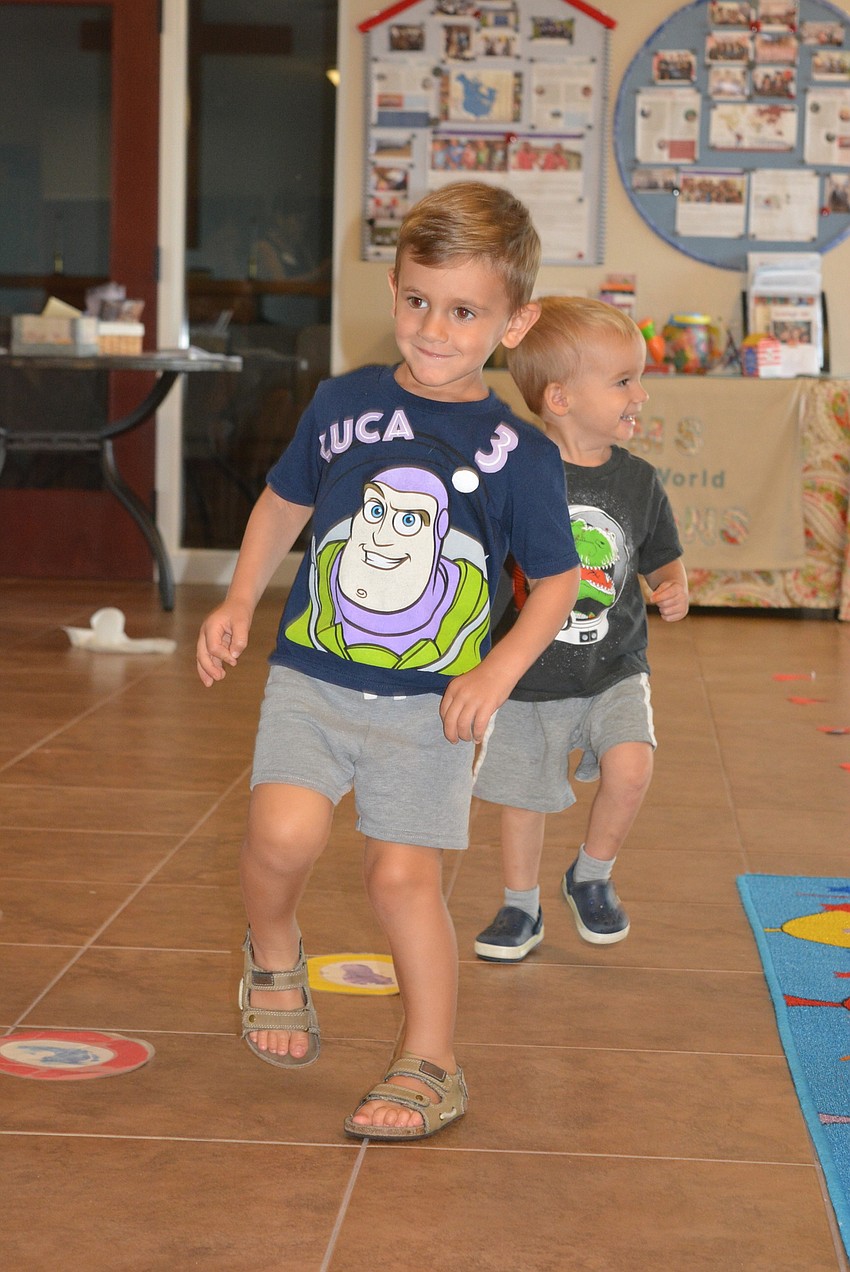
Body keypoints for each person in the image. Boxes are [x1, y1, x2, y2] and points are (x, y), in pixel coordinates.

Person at [196, 183, 580, 1143]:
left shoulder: (520, 452)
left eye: (464, 311)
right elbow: (285, 504)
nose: (434, 329)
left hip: (431, 708)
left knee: (401, 880)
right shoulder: (340, 402)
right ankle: (273, 947)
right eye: (417, 300)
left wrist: (495, 675)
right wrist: (240, 597)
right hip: (312, 680)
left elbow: (562, 584)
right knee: (282, 834)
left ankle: (432, 1061)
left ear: (513, 320)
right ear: (396, 291)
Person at [472, 296, 689, 962]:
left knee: (632, 766)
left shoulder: (640, 481)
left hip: (614, 665)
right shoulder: (515, 475)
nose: (640, 394)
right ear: (561, 397)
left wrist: (672, 583)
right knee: (522, 799)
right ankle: (520, 906)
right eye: (623, 380)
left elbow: (660, 551)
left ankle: (590, 873)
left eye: (638, 379)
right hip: (526, 673)